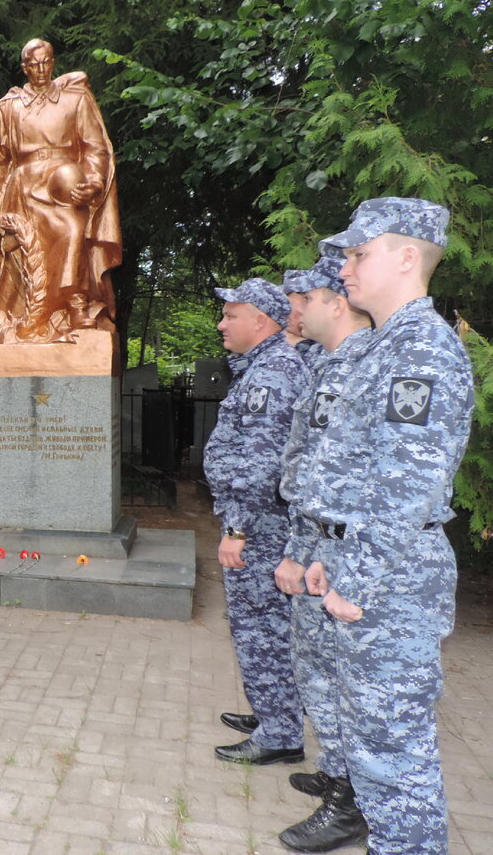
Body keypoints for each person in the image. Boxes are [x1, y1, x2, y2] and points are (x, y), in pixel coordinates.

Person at [297, 198, 474, 855]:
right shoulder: (381, 348)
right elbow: (354, 468)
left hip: (393, 583)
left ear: (406, 257)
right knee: (373, 756)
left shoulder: (420, 350)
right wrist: (328, 552)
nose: (345, 265)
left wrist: (360, 579)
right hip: (367, 569)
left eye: (358, 252)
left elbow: (408, 485)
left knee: (396, 765)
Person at [272, 255, 373, 852]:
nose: (297, 309)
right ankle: (338, 774)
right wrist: (299, 547)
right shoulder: (328, 364)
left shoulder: (361, 366)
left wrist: (308, 552)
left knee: (346, 679)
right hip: (319, 546)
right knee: (319, 670)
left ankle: (351, 797)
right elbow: (310, 474)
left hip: (345, 553)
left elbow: (341, 481)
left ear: (337, 302)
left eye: (306, 297)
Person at [203, 278, 309, 766]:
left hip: (260, 527)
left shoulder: (273, 373)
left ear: (261, 321)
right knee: (262, 626)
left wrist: (237, 528)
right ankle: (274, 713)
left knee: (260, 628)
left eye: (231, 315)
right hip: (258, 523)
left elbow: (263, 462)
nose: (222, 324)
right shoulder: (260, 367)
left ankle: (280, 734)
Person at [0, 38, 121, 343]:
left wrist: (93, 182)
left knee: (72, 230)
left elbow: (96, 148)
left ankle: (76, 304)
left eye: (46, 62)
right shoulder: (8, 107)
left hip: (66, 186)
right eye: (33, 64)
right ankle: (35, 312)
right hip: (24, 189)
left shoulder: (75, 99)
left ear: (53, 63)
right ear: (24, 67)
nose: (40, 69)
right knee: (32, 249)